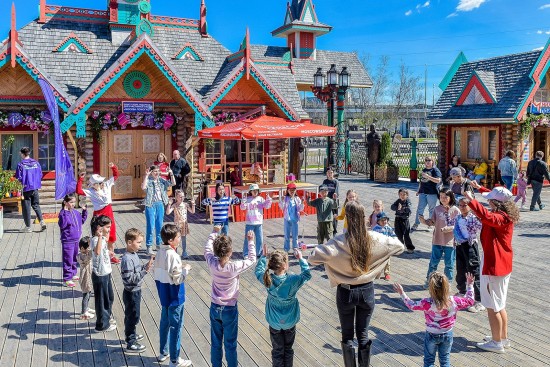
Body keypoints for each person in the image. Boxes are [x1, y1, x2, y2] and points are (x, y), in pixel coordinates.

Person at [309, 201, 405, 367]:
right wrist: (377, 263)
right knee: (363, 334)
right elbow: (399, 247)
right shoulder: (375, 238)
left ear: (347, 217)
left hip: (345, 292)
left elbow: (313, 258)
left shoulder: (338, 242)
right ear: (363, 218)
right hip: (367, 290)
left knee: (347, 336)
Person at [463, 186, 518, 353]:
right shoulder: (505, 214)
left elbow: (486, 216)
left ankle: (496, 343)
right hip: (502, 264)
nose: (487, 201)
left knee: (492, 305)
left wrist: (471, 200)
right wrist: (479, 188)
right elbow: (489, 212)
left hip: (494, 266)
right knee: (499, 305)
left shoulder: (500, 218)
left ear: (496, 203)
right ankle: (502, 338)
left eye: (490, 199)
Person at [393, 271, 475, 367]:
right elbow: (470, 301)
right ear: (446, 287)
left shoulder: (426, 303)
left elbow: (411, 305)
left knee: (429, 361)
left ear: (431, 288)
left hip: (432, 334)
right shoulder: (454, 301)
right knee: (445, 360)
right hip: (447, 334)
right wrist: (470, 285)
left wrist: (402, 293)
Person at [204, 227, 257, 367]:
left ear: (216, 251)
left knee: (215, 343)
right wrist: (251, 241)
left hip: (215, 307)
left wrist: (214, 232)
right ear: (230, 252)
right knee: (230, 344)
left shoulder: (212, 263)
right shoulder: (234, 267)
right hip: (230, 309)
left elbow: (207, 249)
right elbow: (252, 259)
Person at [255, 244, 311, 367]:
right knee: (288, 349)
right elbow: (307, 275)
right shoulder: (293, 280)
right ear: (284, 266)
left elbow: (258, 271)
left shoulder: (267, 279)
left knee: (277, 350)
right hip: (290, 321)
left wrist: (263, 257)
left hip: (274, 322)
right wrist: (301, 258)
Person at [154, 224, 193, 367]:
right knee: (176, 327)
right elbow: (178, 279)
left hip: (163, 294)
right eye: (177, 237)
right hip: (175, 297)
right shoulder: (174, 255)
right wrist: (186, 269)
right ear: (171, 240)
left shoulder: (159, 252)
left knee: (164, 323)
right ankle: (175, 360)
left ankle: (163, 352)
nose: (179, 239)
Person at [76, 162, 120, 264]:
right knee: (99, 235)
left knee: (111, 234)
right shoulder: (90, 191)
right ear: (93, 184)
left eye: (101, 181)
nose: (101, 183)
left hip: (108, 210)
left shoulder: (107, 185)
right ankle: (99, 254)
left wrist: (113, 167)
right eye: (98, 182)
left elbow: (116, 175)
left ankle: (111, 254)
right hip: (99, 213)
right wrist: (80, 179)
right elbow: (78, 191)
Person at [121, 228, 154, 354]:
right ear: (130, 243)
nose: (140, 245)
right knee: (133, 316)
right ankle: (130, 341)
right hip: (131, 292)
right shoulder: (127, 259)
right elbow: (130, 279)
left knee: (131, 315)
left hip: (135, 291)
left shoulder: (133, 255)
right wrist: (145, 271)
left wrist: (146, 266)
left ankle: (130, 333)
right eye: (139, 242)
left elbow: (136, 270)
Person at [420, 188, 460, 287]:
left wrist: (449, 228)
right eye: (441, 197)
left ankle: (448, 284)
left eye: (445, 197)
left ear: (451, 197)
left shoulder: (455, 210)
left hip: (450, 242)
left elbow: (459, 225)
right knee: (433, 263)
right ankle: (429, 281)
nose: (443, 199)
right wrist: (425, 221)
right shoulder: (437, 209)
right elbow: (432, 221)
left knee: (449, 264)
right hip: (437, 240)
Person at [453, 197, 484, 313]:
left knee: (473, 270)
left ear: (470, 206)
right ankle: (462, 291)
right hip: (460, 245)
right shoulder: (458, 217)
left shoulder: (473, 218)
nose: (462, 207)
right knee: (460, 269)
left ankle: (479, 300)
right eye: (460, 205)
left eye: (464, 205)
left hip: (470, 246)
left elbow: (482, 227)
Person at [142, 165, 176, 255]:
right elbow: (143, 187)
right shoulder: (149, 181)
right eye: (155, 171)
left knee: (159, 226)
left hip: (160, 204)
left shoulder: (161, 180)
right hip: (150, 204)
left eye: (158, 171)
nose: (157, 173)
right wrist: (146, 175)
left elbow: (173, 183)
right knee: (151, 226)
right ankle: (149, 246)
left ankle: (158, 244)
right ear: (151, 172)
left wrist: (171, 173)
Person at [90, 215, 116, 332]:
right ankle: (101, 325)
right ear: (100, 228)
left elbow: (103, 251)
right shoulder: (95, 239)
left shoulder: (103, 239)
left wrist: (109, 252)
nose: (109, 229)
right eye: (108, 227)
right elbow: (98, 251)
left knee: (109, 297)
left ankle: (107, 317)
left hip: (106, 271)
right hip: (100, 274)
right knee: (102, 300)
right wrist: (100, 236)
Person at [58, 193, 88, 287]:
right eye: (71, 202)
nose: (73, 204)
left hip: (76, 240)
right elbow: (62, 225)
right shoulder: (63, 214)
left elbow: (81, 221)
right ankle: (67, 278)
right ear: (65, 203)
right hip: (67, 241)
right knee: (68, 259)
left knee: (74, 258)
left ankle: (73, 273)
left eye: (74, 202)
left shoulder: (75, 212)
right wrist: (66, 213)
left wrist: (84, 211)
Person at [14, 147, 45, 233]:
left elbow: (18, 177)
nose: (20, 155)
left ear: (23, 154)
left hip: (26, 189)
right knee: (36, 205)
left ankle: (28, 227)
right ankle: (42, 222)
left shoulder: (21, 164)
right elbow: (40, 174)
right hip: (35, 188)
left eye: (20, 153)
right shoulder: (36, 163)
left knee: (26, 208)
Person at [240, 184, 272, 257]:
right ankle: (246, 253)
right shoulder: (247, 199)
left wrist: (268, 199)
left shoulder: (261, 199)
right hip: (249, 223)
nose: (255, 192)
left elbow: (267, 206)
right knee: (247, 238)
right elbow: (242, 208)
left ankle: (259, 252)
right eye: (253, 191)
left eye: (256, 190)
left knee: (259, 239)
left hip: (258, 222)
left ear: (258, 191)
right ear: (250, 191)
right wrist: (243, 201)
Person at [412, 156, 442, 232]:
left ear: (433, 161)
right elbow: (422, 181)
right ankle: (416, 223)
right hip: (423, 192)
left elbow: (438, 180)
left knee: (431, 209)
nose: (427, 161)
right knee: (420, 209)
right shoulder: (424, 170)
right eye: (426, 160)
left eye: (429, 160)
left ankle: (431, 224)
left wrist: (428, 176)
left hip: (432, 193)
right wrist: (419, 190)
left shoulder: (435, 170)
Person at [166, 189, 196, 259]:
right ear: (176, 197)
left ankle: (184, 252)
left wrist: (193, 204)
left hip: (184, 224)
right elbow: (167, 212)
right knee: (175, 239)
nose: (182, 198)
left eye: (183, 196)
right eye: (180, 197)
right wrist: (169, 204)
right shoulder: (174, 205)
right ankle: (175, 252)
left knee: (183, 239)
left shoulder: (185, 205)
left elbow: (192, 211)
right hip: (176, 225)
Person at [279, 183, 304, 253]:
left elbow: (300, 209)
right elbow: (281, 207)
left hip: (295, 220)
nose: (292, 191)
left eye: (293, 190)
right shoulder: (286, 198)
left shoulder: (297, 199)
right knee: (286, 235)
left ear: (296, 191)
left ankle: (295, 248)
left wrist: (302, 203)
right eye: (290, 190)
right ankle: (286, 249)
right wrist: (282, 201)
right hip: (287, 219)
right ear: (287, 190)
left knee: (295, 235)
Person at [371, 211, 396, 281]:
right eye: (382, 220)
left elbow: (393, 235)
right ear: (378, 221)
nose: (384, 221)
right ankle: (377, 273)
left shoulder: (388, 228)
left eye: (385, 220)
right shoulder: (375, 228)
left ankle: (387, 273)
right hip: (378, 248)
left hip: (387, 248)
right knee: (378, 262)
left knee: (387, 261)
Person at [391, 188, 415, 254]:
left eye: (404, 194)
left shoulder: (408, 201)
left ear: (407, 195)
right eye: (400, 194)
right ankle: (400, 247)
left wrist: (402, 208)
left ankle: (410, 247)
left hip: (405, 220)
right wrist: (397, 208)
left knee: (406, 234)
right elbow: (392, 207)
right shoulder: (398, 201)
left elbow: (409, 209)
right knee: (398, 234)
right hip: (398, 219)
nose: (402, 196)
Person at [77, 236, 95, 320]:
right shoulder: (81, 256)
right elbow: (88, 258)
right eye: (88, 247)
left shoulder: (85, 254)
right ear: (82, 248)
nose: (89, 249)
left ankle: (86, 308)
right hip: (85, 278)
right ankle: (83, 313)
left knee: (89, 293)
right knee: (86, 295)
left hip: (89, 277)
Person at [322, 167, 340, 235]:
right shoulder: (325, 181)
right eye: (328, 173)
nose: (330, 174)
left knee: (335, 216)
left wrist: (335, 194)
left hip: (334, 201)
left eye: (331, 173)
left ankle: (334, 231)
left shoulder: (336, 181)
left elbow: (337, 190)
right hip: (327, 201)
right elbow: (323, 189)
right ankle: (327, 230)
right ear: (327, 174)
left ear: (333, 173)